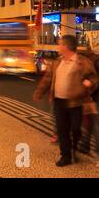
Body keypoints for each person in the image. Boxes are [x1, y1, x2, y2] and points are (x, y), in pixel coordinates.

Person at [33, 35, 98, 167]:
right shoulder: (57, 62)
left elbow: (94, 78)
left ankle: (74, 148)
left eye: (60, 44)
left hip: (76, 102)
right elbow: (47, 79)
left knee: (75, 129)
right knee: (62, 129)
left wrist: (89, 83)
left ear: (66, 46)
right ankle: (65, 155)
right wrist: (39, 92)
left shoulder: (82, 62)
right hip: (59, 102)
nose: (58, 47)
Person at [78, 47, 99, 165]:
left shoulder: (92, 62)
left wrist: (90, 91)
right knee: (90, 122)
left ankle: (88, 146)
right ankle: (85, 145)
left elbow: (93, 80)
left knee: (94, 124)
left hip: (94, 98)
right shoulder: (93, 61)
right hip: (93, 98)